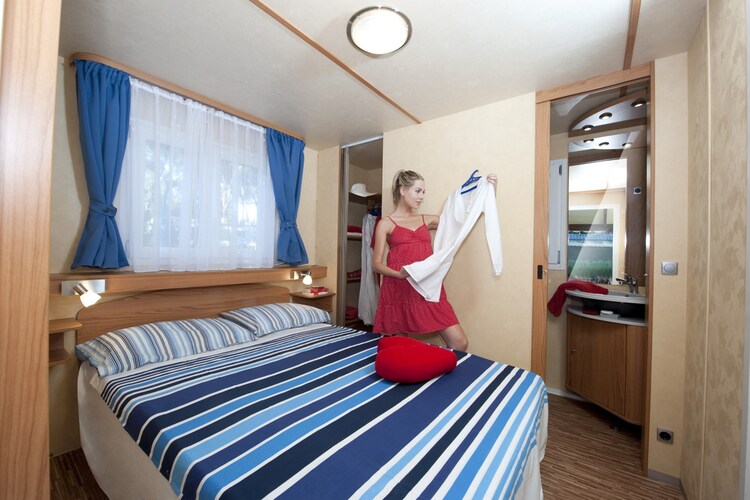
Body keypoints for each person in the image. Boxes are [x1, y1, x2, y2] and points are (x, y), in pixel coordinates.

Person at [372, 169, 497, 351]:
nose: (422, 197)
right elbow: (376, 264)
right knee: (401, 348)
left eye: (423, 192)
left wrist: (488, 191)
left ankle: (439, 365)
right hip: (398, 287)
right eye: (418, 191)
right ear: (402, 190)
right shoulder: (385, 223)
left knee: (459, 342)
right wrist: (398, 274)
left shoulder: (427, 219)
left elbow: (463, 221)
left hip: (427, 286)